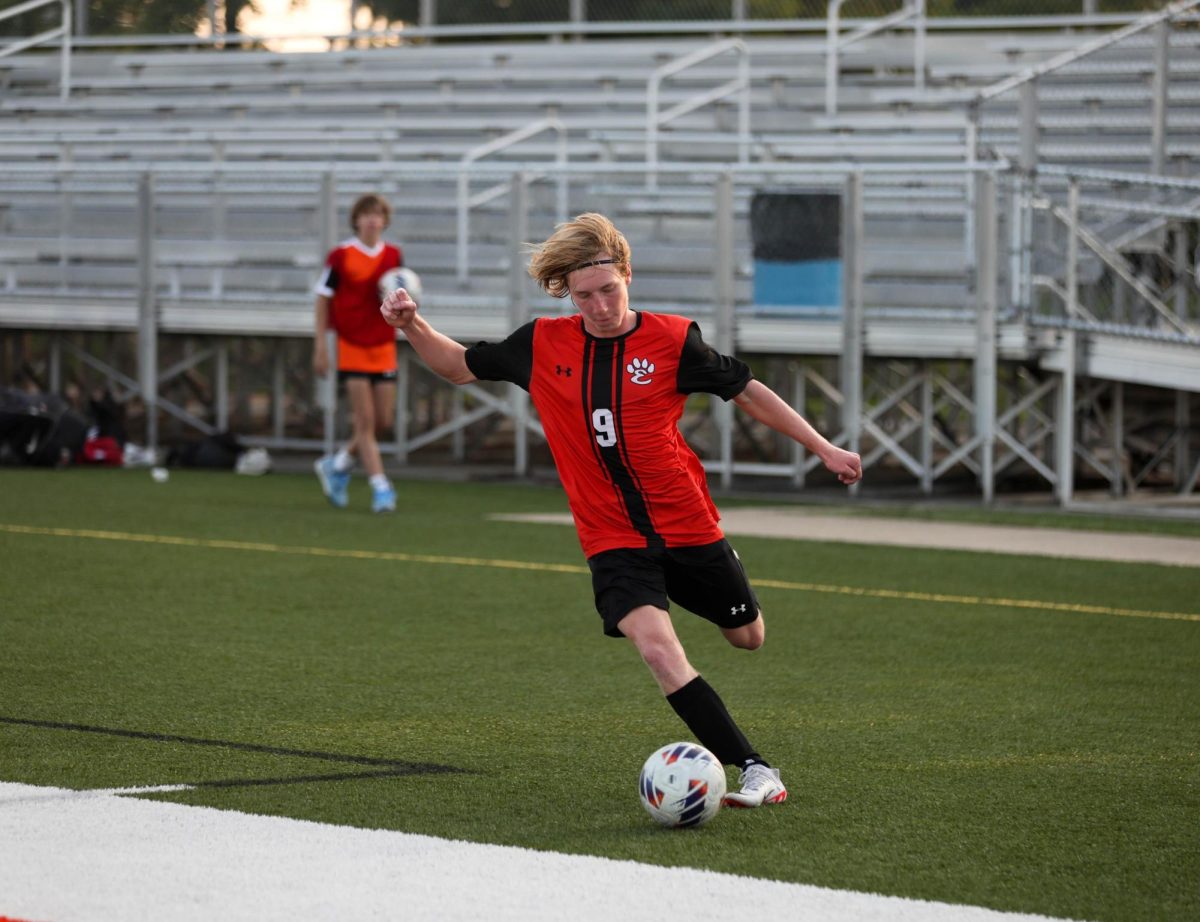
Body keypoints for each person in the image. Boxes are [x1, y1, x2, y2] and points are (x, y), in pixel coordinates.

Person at [380, 213, 862, 808]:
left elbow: (748, 392)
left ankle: (700, 591)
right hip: (611, 538)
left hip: (687, 523)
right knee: (660, 651)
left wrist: (825, 447)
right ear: (567, 294)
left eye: (609, 290)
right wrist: (411, 324)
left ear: (627, 276)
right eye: (584, 296)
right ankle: (755, 768)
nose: (600, 305)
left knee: (747, 636)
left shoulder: (672, 340)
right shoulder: (542, 344)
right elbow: (456, 365)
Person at [313, 193, 403, 513]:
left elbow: (399, 293)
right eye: (366, 214)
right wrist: (320, 346)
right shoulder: (341, 255)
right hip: (350, 344)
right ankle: (381, 487)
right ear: (356, 219)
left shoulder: (393, 255)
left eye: (377, 214)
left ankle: (337, 466)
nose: (372, 220)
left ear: (385, 220)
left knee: (382, 421)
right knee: (364, 422)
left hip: (383, 345)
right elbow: (323, 298)